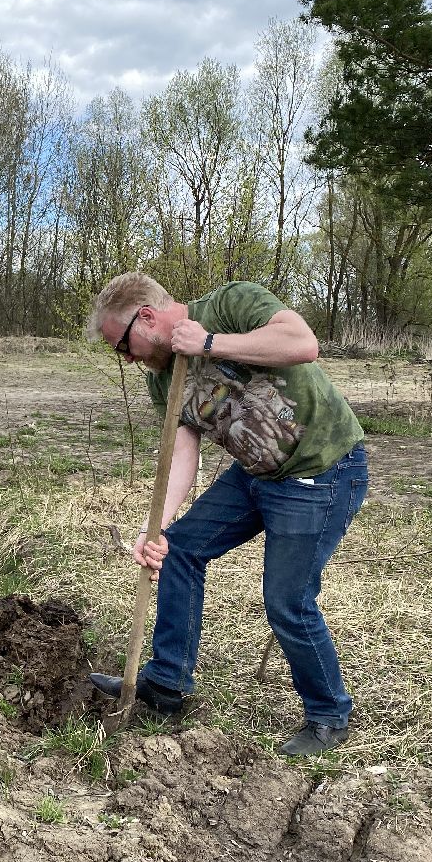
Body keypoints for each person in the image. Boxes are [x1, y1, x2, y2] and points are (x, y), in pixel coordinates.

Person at [86, 272, 368, 756]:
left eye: (124, 346)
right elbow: (182, 455)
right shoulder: (162, 378)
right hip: (256, 476)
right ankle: (167, 684)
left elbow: (303, 344)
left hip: (320, 472)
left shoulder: (231, 305)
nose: (127, 358)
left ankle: (328, 715)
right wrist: (157, 526)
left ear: (147, 318)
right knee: (179, 549)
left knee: (287, 601)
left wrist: (210, 343)